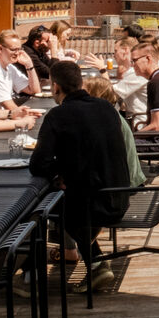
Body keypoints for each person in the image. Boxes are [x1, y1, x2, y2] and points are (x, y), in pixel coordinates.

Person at [29, 61, 133, 293]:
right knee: (72, 196)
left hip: (93, 205)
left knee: (38, 207)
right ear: (81, 83)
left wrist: (58, 173)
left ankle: (30, 275)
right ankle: (95, 264)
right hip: (120, 196)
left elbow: (38, 164)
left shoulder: (57, 116)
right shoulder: (106, 108)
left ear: (55, 87)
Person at [83, 76, 146, 187]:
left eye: (84, 93)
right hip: (129, 178)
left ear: (94, 95)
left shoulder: (103, 119)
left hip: (123, 184)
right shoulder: (109, 114)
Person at [0, 30, 43, 117]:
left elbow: (35, 91)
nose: (17, 53)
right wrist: (26, 116)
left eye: (19, 49)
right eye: (13, 49)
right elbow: (7, 105)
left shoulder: (10, 67)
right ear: (0, 48)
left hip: (3, 115)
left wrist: (29, 65)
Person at [109, 38, 149, 128]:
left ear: (125, 50)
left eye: (115, 51)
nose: (114, 55)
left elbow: (111, 94)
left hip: (139, 123)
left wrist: (102, 70)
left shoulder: (136, 72)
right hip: (133, 118)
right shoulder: (130, 70)